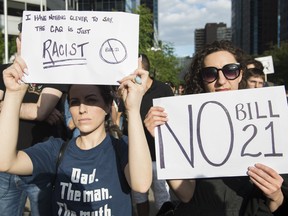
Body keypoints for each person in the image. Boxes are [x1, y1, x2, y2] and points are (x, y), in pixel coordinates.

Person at [0, 37, 152, 215]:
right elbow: (5, 162)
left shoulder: (122, 148)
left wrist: (133, 110)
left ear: (107, 106)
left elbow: (141, 184)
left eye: (91, 100)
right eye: (74, 101)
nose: (81, 109)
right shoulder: (55, 150)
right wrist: (13, 94)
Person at [144, 40, 288, 215]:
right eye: (210, 73)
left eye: (230, 70)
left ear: (240, 74)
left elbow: (273, 205)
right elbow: (186, 195)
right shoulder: (187, 123)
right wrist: (164, 140)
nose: (221, 80)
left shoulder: (268, 120)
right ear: (202, 80)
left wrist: (276, 196)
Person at [0, 26, 67, 215]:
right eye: (22, 39)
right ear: (18, 42)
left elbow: (40, 112)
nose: (25, 45)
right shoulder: (4, 72)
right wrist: (30, 109)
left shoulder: (55, 73)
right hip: (5, 163)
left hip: (39, 164)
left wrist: (6, 105)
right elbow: (37, 111)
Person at [130, 54, 174, 216]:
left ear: (144, 70)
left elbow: (173, 121)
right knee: (139, 197)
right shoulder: (130, 89)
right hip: (136, 155)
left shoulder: (163, 89)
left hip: (158, 155)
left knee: (162, 197)